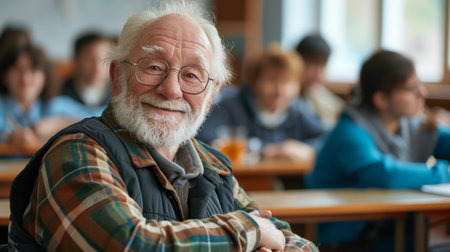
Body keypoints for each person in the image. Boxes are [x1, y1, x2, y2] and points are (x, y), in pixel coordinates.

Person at [8, 2, 318, 251]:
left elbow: (289, 239)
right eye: (153, 67)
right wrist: (249, 232)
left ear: (210, 98)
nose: (171, 90)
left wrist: (265, 237)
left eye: (192, 75)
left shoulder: (214, 165)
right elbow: (130, 243)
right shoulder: (77, 152)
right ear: (117, 78)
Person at [304, 50, 450, 250]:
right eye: (411, 88)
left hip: (396, 232)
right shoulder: (349, 130)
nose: (422, 93)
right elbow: (381, 174)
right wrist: (445, 172)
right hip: (351, 241)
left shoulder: (413, 125)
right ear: (381, 99)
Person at [197, 43, 326, 163]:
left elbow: (328, 139)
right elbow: (204, 140)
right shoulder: (230, 106)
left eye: (287, 82)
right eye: (272, 80)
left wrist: (307, 149)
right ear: (255, 81)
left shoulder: (296, 111)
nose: (280, 90)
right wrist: (267, 150)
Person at [0, 44, 96, 146]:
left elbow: (97, 118)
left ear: (45, 76)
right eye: (18, 69)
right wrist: (9, 137)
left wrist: (55, 125)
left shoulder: (54, 105)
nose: (25, 78)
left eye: (33, 70)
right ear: (5, 76)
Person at [295, 34, 344, 128]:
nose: (318, 74)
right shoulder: (287, 99)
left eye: (323, 65)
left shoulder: (323, 96)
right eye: (313, 64)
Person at [61, 31, 113, 110]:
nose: (97, 67)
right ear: (76, 60)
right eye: (90, 59)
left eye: (104, 59)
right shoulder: (58, 94)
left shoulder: (121, 96)